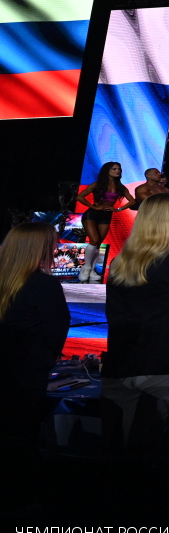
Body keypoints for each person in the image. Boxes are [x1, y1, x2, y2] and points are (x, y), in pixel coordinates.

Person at [103, 193, 169, 454]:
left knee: (116, 445)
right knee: (146, 448)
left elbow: (115, 317)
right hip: (160, 365)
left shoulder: (120, 261)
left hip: (119, 364)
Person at [0, 223, 69, 469]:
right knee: (21, 441)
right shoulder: (44, 285)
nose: (56, 249)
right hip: (26, 376)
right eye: (53, 244)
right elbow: (56, 331)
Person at [76, 161, 135, 282]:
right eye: (114, 169)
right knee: (94, 240)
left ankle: (92, 270)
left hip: (106, 216)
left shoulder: (120, 187)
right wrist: (94, 207)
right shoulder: (97, 184)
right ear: (107, 170)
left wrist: (118, 209)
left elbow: (132, 201)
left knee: (98, 243)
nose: (117, 171)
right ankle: (86, 267)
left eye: (119, 169)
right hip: (92, 214)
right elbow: (79, 196)